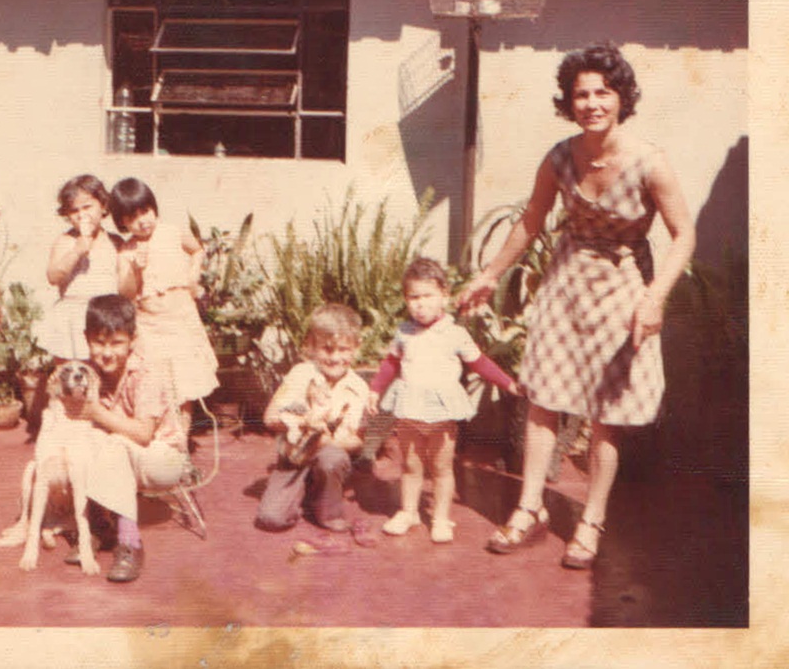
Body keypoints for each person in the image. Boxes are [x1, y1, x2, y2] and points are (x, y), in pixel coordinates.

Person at [457, 41, 695, 569]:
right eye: (581, 95)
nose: (591, 103)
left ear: (621, 97)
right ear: (569, 102)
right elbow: (531, 220)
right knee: (543, 400)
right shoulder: (560, 157)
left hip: (624, 287)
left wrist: (655, 298)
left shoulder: (649, 162)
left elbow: (684, 235)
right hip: (565, 285)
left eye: (602, 92)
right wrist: (490, 275)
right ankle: (529, 508)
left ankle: (592, 520)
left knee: (605, 415)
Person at [367, 256, 522, 543]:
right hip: (410, 412)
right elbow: (390, 363)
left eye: (428, 296)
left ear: (444, 296)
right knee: (411, 466)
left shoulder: (455, 334)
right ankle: (409, 511)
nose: (420, 304)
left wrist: (508, 383)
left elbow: (479, 362)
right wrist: (375, 389)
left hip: (441, 415)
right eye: (413, 297)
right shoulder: (404, 333)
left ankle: (440, 517)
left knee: (441, 469)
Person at [79, 294, 188, 583]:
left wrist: (96, 413)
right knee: (85, 440)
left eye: (116, 343)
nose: (107, 352)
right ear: (86, 338)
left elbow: (143, 433)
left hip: (162, 459)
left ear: (132, 340)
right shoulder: (89, 372)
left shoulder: (146, 371)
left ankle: (130, 542)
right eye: (99, 342)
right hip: (124, 458)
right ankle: (98, 526)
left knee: (112, 441)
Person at [110, 178, 219, 434]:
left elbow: (197, 250)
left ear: (154, 208)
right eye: (133, 217)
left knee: (184, 386)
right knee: (160, 383)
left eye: (146, 211)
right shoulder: (126, 252)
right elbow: (126, 293)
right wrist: (135, 269)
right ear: (122, 222)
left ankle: (182, 439)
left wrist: (193, 274)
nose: (142, 221)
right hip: (151, 327)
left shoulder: (172, 232)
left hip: (180, 322)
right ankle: (163, 436)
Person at [255, 303, 369, 535]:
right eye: (327, 349)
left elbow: (358, 440)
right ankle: (305, 494)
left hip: (329, 456)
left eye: (343, 349)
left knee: (332, 458)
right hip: (294, 457)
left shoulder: (359, 387)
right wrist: (304, 422)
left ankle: (328, 510)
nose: (335, 358)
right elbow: (270, 418)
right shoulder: (300, 374)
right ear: (310, 346)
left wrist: (325, 441)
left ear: (356, 348)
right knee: (271, 519)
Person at [40, 174, 121, 361]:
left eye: (87, 207)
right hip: (74, 316)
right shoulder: (66, 241)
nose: (82, 215)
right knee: (71, 366)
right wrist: (76, 252)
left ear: (103, 206)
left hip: (105, 315)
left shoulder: (114, 241)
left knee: (104, 367)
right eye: (74, 211)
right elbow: (53, 276)